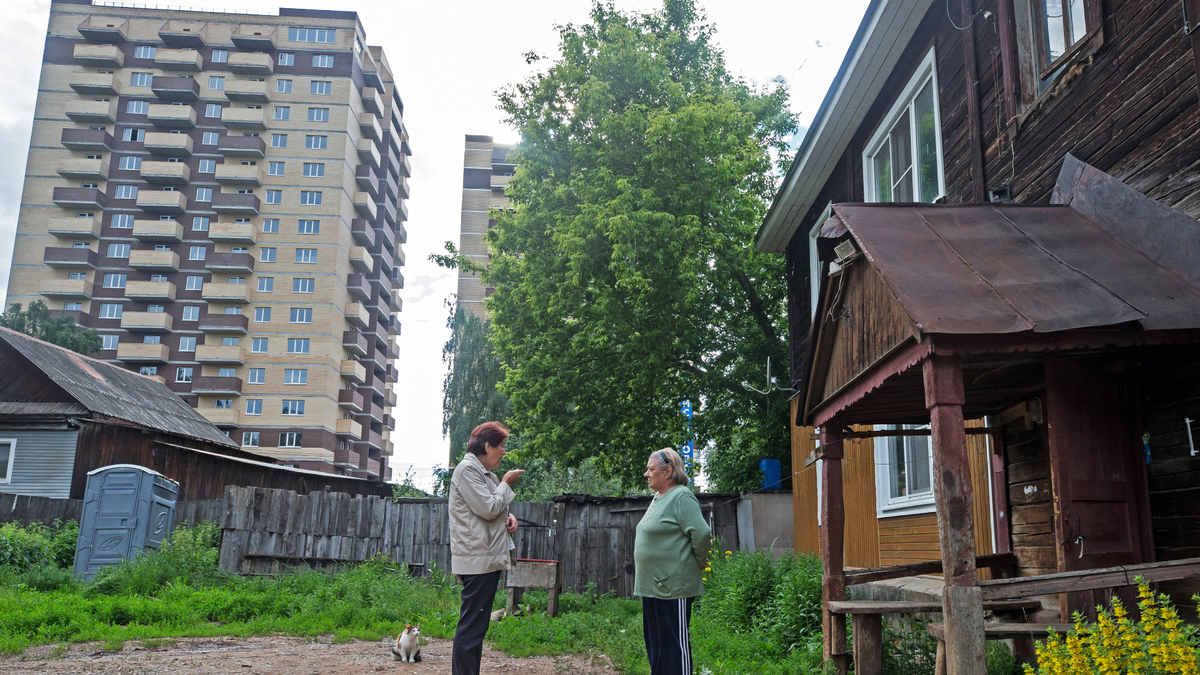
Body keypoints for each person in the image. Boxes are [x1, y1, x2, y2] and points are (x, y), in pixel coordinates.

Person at [448, 421, 523, 675]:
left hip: (485, 558)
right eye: (501, 446)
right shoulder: (467, 470)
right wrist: (506, 482)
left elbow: (494, 509)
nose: (504, 451)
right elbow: (489, 509)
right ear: (488, 445)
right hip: (476, 560)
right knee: (471, 630)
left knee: (476, 630)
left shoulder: (482, 473)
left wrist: (509, 520)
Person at [634, 447, 711, 675]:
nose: (647, 474)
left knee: (674, 646)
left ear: (668, 471)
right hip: (652, 585)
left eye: (651, 469)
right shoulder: (659, 497)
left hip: (672, 586)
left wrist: (699, 560)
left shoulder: (681, 496)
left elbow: (702, 533)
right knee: (656, 645)